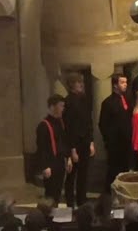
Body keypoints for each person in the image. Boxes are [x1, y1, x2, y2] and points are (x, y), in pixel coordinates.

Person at [61, 76, 94, 208]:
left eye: (82, 82)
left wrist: (91, 142)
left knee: (83, 174)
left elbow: (88, 122)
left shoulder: (84, 99)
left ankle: (82, 200)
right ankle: (70, 202)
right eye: (78, 82)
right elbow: (70, 127)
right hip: (74, 143)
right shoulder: (68, 101)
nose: (81, 85)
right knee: (72, 175)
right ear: (71, 85)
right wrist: (72, 149)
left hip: (85, 141)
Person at [98, 73, 133, 190]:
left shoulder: (128, 99)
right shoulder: (108, 102)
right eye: (122, 83)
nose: (125, 85)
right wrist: (110, 140)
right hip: (115, 144)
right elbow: (103, 124)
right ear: (115, 85)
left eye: (126, 82)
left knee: (126, 170)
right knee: (114, 170)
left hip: (127, 142)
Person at [36, 95, 71, 203]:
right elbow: (42, 148)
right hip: (50, 164)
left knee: (58, 193)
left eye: (63, 106)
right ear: (52, 107)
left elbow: (64, 142)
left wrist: (68, 158)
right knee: (50, 195)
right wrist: (45, 166)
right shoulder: (43, 125)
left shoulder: (60, 123)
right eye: (61, 106)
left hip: (60, 162)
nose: (63, 109)